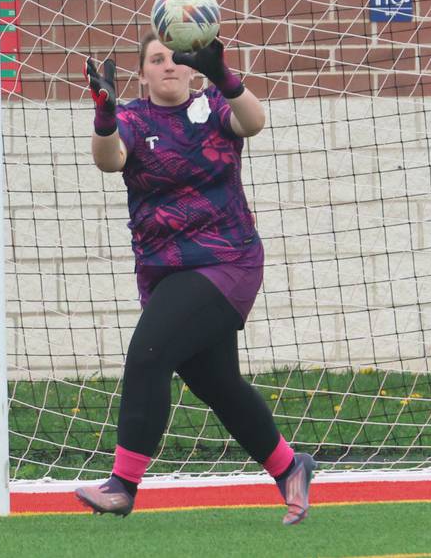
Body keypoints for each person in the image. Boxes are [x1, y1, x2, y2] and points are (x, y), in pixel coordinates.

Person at [74, 32, 316, 525]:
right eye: (155, 60)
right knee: (218, 383)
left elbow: (254, 122)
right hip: (164, 272)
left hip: (227, 261)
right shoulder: (133, 119)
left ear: (190, 68)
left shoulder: (214, 106)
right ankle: (291, 467)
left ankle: (123, 484)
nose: (167, 66)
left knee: (149, 353)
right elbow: (109, 160)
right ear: (143, 74)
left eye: (175, 58)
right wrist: (104, 114)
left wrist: (224, 75)